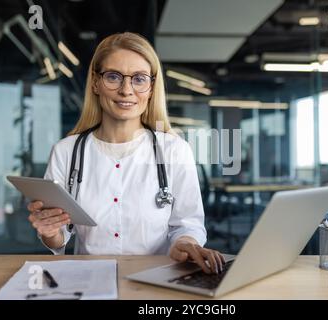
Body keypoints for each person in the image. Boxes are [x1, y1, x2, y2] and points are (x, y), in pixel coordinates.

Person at [27, 32, 224, 274]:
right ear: (96, 83)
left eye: (139, 79)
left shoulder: (174, 150)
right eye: (113, 77)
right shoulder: (66, 152)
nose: (126, 90)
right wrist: (50, 231)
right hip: (89, 281)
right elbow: (60, 239)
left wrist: (184, 244)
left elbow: (188, 225)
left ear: (151, 88)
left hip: (158, 280)